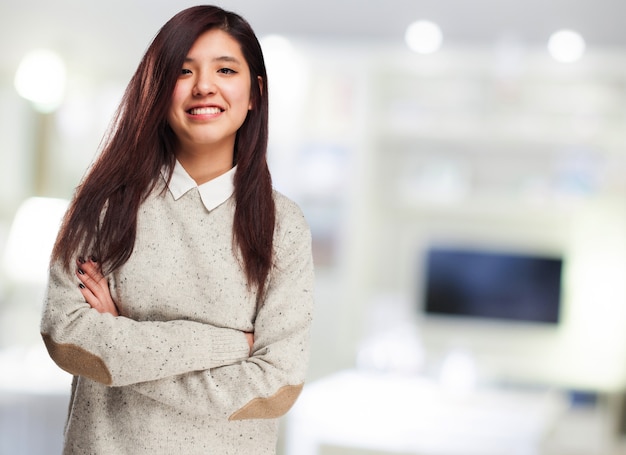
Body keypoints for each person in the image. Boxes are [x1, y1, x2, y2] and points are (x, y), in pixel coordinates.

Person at [40, 5, 314, 454]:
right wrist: (228, 345)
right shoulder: (103, 203)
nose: (204, 85)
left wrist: (122, 334)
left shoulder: (283, 226)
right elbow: (66, 337)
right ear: (158, 89)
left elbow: (276, 386)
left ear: (254, 93)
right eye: (182, 71)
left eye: (225, 69)